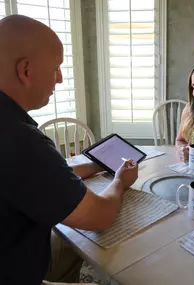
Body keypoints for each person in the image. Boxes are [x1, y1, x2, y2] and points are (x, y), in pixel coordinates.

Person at [0, 15, 138, 285]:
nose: (60, 79)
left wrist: (98, 164)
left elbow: (41, 176)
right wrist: (120, 180)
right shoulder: (18, 139)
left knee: (72, 249)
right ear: (25, 70)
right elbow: (98, 216)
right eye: (56, 68)